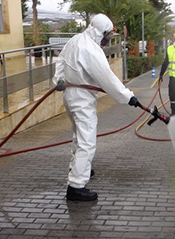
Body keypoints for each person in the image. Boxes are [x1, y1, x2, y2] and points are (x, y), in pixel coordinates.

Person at [53, 14, 141, 201]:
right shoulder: (92, 50)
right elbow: (107, 78)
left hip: (70, 96)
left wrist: (58, 79)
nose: (107, 40)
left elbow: (60, 59)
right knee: (87, 141)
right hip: (82, 99)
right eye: (106, 36)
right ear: (99, 32)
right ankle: (76, 186)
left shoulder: (77, 39)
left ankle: (80, 168)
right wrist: (128, 97)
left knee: (79, 136)